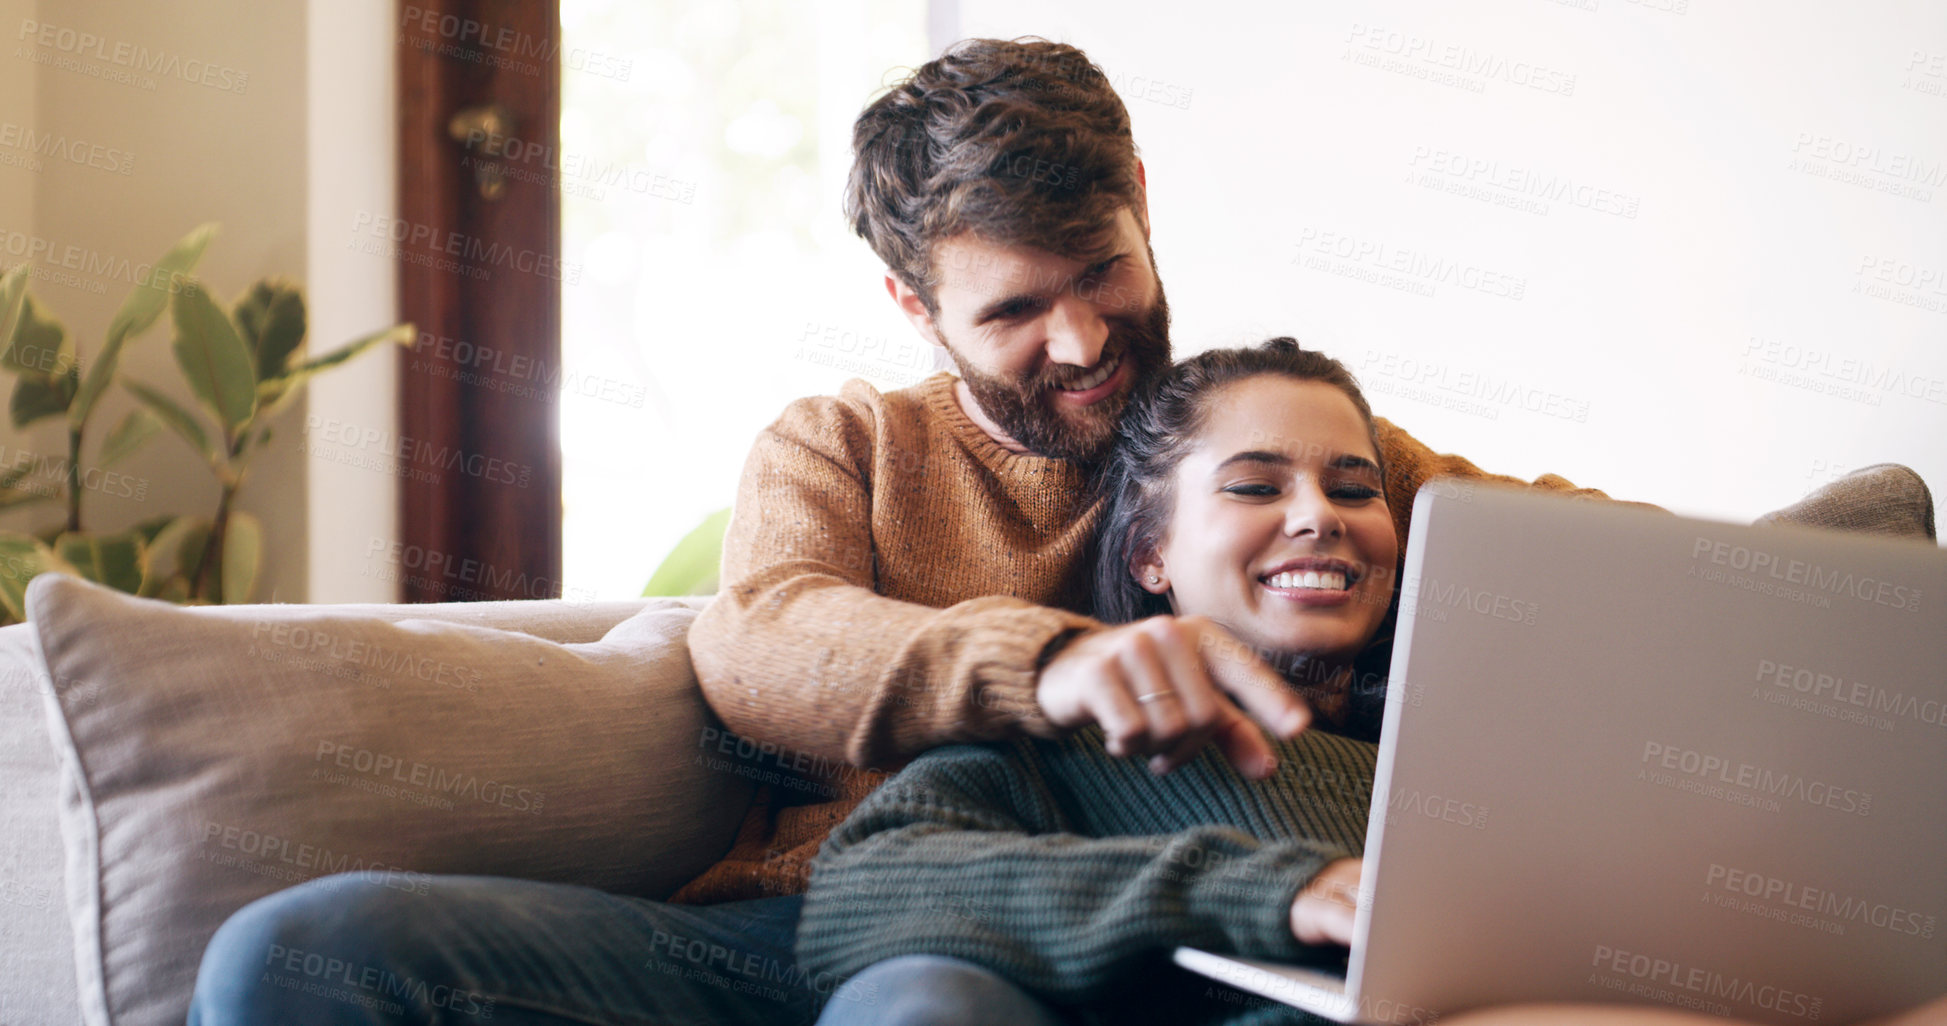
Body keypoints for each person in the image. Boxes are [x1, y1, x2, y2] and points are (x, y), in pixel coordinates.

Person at [188, 38, 1643, 1026]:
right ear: (912, 304)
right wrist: (1047, 666)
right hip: (816, 908)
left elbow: (1603, 571)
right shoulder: (849, 447)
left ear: (1140, 205)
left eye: (1100, 272)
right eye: (1012, 310)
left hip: (1096, 943)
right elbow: (759, 641)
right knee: (300, 951)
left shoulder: (1267, 451)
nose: (1082, 341)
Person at [793, 339, 1947, 1026]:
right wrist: (1269, 891)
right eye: (1254, 487)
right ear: (1150, 554)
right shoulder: (1091, 741)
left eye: (1355, 487)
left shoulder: (1496, 726)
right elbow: (856, 891)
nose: (1320, 516)